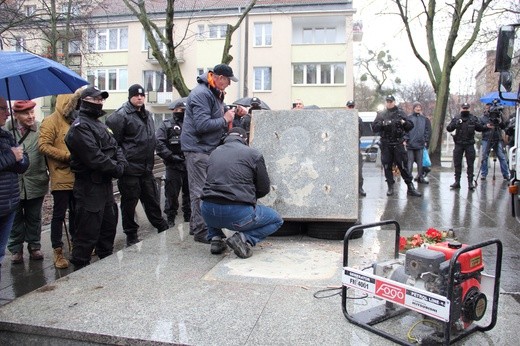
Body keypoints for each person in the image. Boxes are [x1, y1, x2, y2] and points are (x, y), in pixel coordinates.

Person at [65, 86, 127, 270]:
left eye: (101, 100)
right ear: (84, 101)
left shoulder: (101, 125)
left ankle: (104, 273)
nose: (99, 102)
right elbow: (94, 156)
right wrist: (116, 168)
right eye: (95, 99)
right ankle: (79, 276)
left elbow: (116, 148)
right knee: (86, 236)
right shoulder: (79, 127)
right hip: (89, 188)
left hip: (105, 187)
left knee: (108, 231)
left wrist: (121, 164)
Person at [200, 127, 283, 258]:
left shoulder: (214, 153)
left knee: (211, 198)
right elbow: (264, 188)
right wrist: (248, 198)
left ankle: (216, 239)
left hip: (208, 213)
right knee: (276, 220)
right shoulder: (253, 154)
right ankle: (244, 238)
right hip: (237, 214)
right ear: (244, 139)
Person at [180, 64, 237, 244]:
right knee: (200, 191)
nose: (229, 85)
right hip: (198, 149)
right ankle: (201, 230)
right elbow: (202, 125)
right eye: (228, 81)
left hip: (204, 148)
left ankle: (197, 225)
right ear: (220, 78)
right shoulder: (202, 94)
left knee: (202, 190)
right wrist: (225, 119)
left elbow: (211, 116)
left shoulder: (211, 93)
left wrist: (230, 113)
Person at [106, 84, 169, 246]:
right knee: (129, 203)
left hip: (146, 168)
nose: (140, 98)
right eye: (136, 95)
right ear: (130, 97)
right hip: (130, 169)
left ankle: (161, 225)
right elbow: (114, 142)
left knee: (151, 199)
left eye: (142, 95)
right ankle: (131, 234)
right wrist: (123, 162)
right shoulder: (121, 115)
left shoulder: (147, 115)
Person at [38, 91, 81, 269]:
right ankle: (58, 250)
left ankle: (77, 245)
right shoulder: (51, 121)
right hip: (61, 175)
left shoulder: (76, 122)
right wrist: (66, 156)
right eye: (75, 105)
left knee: (77, 212)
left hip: (78, 175)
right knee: (59, 215)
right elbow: (43, 145)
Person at [6, 100, 49, 264]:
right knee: (15, 218)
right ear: (16, 115)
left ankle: (34, 246)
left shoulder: (40, 129)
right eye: (26, 113)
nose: (31, 116)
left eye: (32, 112)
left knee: (34, 217)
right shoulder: (6, 130)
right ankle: (16, 249)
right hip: (14, 183)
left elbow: (46, 152)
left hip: (36, 181)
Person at [372, 95, 422, 197]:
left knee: (403, 166)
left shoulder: (400, 113)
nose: (389, 103)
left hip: (398, 143)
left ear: (394, 102)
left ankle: (410, 187)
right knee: (387, 166)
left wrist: (403, 122)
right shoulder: (381, 114)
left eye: (391, 101)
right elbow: (374, 128)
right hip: (386, 144)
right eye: (387, 101)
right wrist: (382, 124)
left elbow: (410, 126)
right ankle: (390, 187)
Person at [0, 97, 29, 267]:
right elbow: (13, 158)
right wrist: (11, 157)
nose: (8, 113)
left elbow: (23, 164)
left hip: (9, 203)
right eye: (3, 108)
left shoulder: (6, 135)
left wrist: (18, 158)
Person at [155, 99, 191, 227]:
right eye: (178, 110)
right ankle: (170, 219)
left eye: (183, 110)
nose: (180, 112)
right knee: (171, 194)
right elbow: (158, 143)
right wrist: (170, 156)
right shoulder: (166, 125)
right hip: (173, 165)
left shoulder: (191, 124)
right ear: (173, 111)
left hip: (189, 164)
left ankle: (189, 217)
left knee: (189, 193)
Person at [446, 102, 485, 190]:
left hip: (469, 144)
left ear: (469, 109)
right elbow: (449, 128)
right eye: (464, 108)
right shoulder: (456, 118)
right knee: (457, 163)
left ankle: (470, 182)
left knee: (470, 164)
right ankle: (457, 181)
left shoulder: (473, 118)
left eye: (466, 108)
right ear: (461, 108)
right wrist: (455, 124)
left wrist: (480, 125)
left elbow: (480, 128)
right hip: (459, 144)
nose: (465, 110)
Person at [479, 101, 510, 181]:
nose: (488, 108)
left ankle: (506, 174)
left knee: (502, 156)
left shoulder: (499, 116)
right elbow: (479, 127)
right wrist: (486, 126)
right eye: (487, 106)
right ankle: (483, 174)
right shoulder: (483, 118)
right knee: (485, 156)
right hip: (486, 138)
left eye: (490, 106)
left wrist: (500, 121)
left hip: (497, 138)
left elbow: (504, 126)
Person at [404, 102, 431, 184]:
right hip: (410, 144)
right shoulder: (409, 118)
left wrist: (426, 140)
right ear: (413, 108)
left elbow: (427, 130)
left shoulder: (425, 119)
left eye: (419, 107)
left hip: (420, 144)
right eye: (416, 107)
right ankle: (409, 178)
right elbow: (405, 130)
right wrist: (406, 139)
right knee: (410, 162)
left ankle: (420, 177)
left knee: (420, 162)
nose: (418, 108)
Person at [346, 100, 366, 196]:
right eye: (349, 107)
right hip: (345, 148)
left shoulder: (359, 119)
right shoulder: (343, 119)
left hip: (355, 147)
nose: (351, 108)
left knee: (359, 170)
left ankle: (360, 188)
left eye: (352, 106)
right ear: (346, 107)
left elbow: (361, 132)